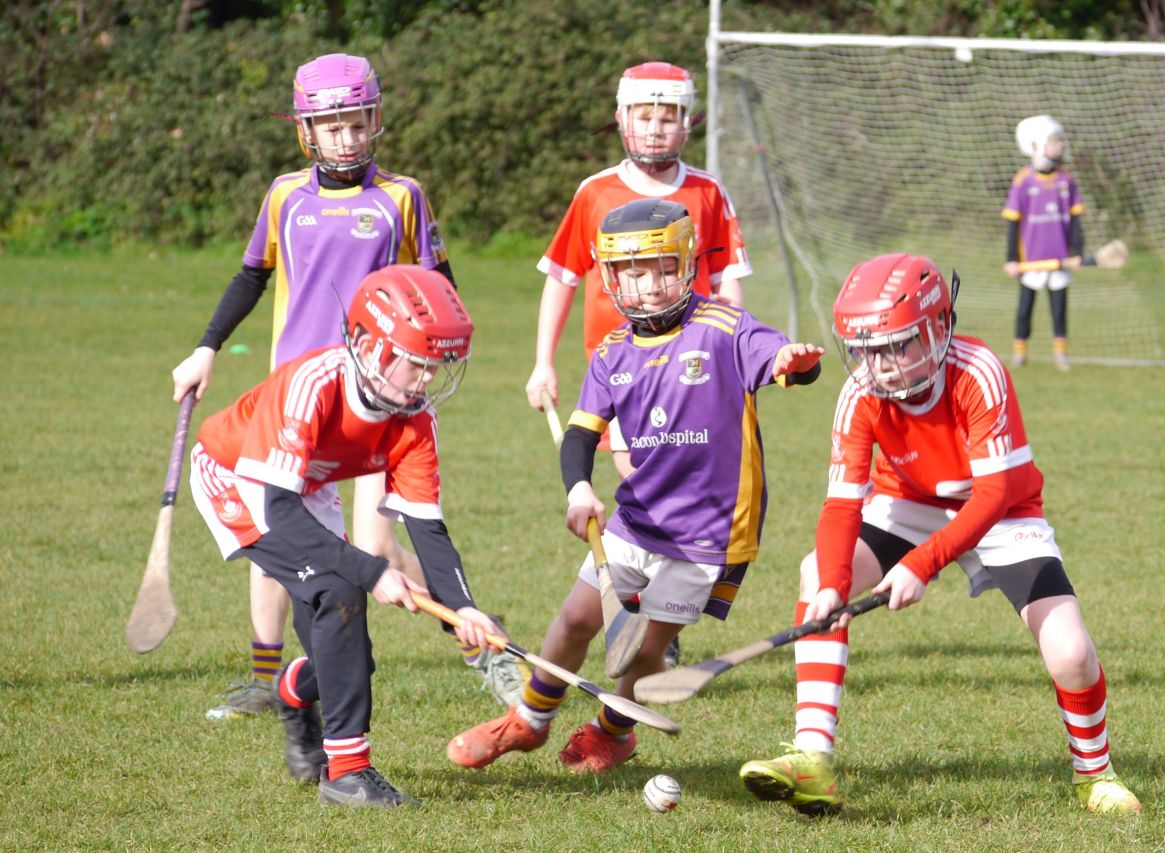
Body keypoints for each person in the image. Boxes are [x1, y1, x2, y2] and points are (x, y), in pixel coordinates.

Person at [171, 53, 524, 720]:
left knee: (379, 545)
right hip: (297, 396)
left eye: (358, 123)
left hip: (384, 391)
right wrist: (205, 347)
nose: (348, 138)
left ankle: (483, 644)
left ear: (375, 121)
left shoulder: (402, 196)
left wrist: (427, 356)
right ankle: (269, 676)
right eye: (332, 126)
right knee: (284, 540)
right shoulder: (284, 196)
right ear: (308, 131)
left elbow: (441, 286)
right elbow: (252, 275)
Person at [739, 253, 1142, 817]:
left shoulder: (977, 371)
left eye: (898, 345)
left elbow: (995, 494)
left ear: (937, 327)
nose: (882, 365)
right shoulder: (860, 395)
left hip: (1001, 510)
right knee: (814, 571)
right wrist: (833, 583)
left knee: (1072, 652)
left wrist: (921, 564)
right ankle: (812, 759)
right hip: (905, 504)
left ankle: (1094, 773)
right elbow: (840, 505)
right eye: (868, 350)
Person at [447, 198, 823, 775]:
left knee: (648, 647)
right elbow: (578, 436)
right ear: (612, 277)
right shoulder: (612, 353)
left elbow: (776, 357)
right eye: (631, 272)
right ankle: (528, 721)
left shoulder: (723, 327)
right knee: (575, 620)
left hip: (710, 533)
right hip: (638, 518)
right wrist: (578, 489)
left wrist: (792, 362)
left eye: (661, 268)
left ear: (686, 262)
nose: (647, 286)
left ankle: (612, 733)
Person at [188, 265, 503, 807]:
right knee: (341, 592)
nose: (427, 380)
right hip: (239, 478)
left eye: (436, 367)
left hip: (301, 485)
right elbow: (279, 511)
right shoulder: (312, 383)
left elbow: (427, 527)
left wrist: (465, 610)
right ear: (369, 346)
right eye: (417, 364)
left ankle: (292, 691)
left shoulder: (415, 421)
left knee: (347, 655)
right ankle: (347, 776)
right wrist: (373, 570)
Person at [525, 60, 752, 668]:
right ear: (622, 119)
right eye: (644, 116)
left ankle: (653, 614)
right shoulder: (595, 191)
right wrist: (543, 362)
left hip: (690, 375)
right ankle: (645, 610)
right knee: (641, 479)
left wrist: (736, 352)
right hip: (621, 376)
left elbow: (729, 282)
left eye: (668, 117)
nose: (656, 129)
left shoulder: (706, 192)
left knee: (665, 479)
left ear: (688, 122)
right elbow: (563, 279)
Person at [1001, 114, 1084, 372]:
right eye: (1054, 141)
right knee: (1025, 308)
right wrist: (1011, 259)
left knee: (1059, 309)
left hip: (1060, 259)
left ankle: (1061, 354)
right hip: (1031, 261)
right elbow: (1013, 224)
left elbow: (1076, 221)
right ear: (1036, 145)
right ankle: (1019, 352)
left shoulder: (1066, 180)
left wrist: (1078, 252)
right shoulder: (1023, 181)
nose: (1060, 145)